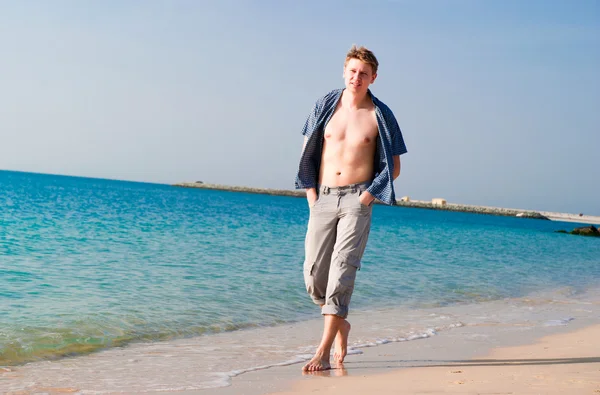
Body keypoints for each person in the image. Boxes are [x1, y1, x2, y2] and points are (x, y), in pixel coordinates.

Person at [295, 45, 408, 372]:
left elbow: (394, 166)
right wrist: (311, 195)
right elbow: (307, 153)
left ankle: (323, 350)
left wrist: (367, 197)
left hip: (358, 199)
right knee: (314, 275)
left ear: (374, 77)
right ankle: (340, 323)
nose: (357, 77)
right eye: (353, 71)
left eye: (364, 73)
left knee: (342, 270)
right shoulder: (324, 106)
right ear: (345, 71)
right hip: (323, 197)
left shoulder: (381, 115)